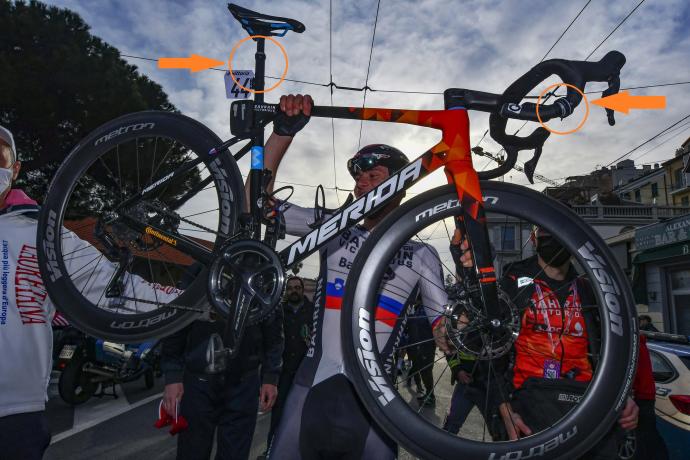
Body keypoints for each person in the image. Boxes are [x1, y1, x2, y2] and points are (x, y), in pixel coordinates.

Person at [261, 94, 449, 460]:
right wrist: (282, 133)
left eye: (374, 176)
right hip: (310, 388)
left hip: (376, 406)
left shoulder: (422, 254)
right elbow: (263, 206)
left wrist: (461, 330)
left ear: (401, 185)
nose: (362, 183)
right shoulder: (334, 227)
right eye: (358, 177)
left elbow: (445, 332)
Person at [0, 125, 181, 460]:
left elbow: (111, 285)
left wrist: (190, 300)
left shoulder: (41, 232)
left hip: (14, 414)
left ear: (15, 169)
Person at [450, 226, 638, 458]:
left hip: (587, 405)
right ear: (533, 239)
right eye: (545, 234)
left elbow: (615, 347)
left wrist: (624, 395)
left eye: (558, 234)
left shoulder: (590, 289)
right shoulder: (512, 283)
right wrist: (503, 408)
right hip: (529, 405)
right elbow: (487, 347)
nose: (552, 240)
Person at [160, 294, 284, 460]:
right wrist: (173, 375)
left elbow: (274, 333)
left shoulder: (264, 277)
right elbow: (176, 321)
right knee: (191, 452)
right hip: (199, 382)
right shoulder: (198, 272)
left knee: (234, 455)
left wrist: (270, 377)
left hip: (244, 383)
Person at [264, 276, 314, 455]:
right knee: (278, 417)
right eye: (290, 288)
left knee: (304, 417)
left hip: (305, 375)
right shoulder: (279, 311)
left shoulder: (313, 312)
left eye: (297, 287)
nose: (294, 290)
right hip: (283, 374)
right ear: (286, 291)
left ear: (302, 290)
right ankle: (272, 451)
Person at [631, 333, 668, 460]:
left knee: (643, 439)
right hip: (647, 395)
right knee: (650, 435)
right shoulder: (641, 344)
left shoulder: (633, 346)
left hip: (639, 395)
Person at [405, 300, 437, 406]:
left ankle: (431, 396)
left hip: (426, 346)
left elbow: (423, 324)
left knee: (426, 372)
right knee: (421, 370)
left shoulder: (427, 309)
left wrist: (411, 316)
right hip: (417, 346)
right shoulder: (417, 309)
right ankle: (428, 394)